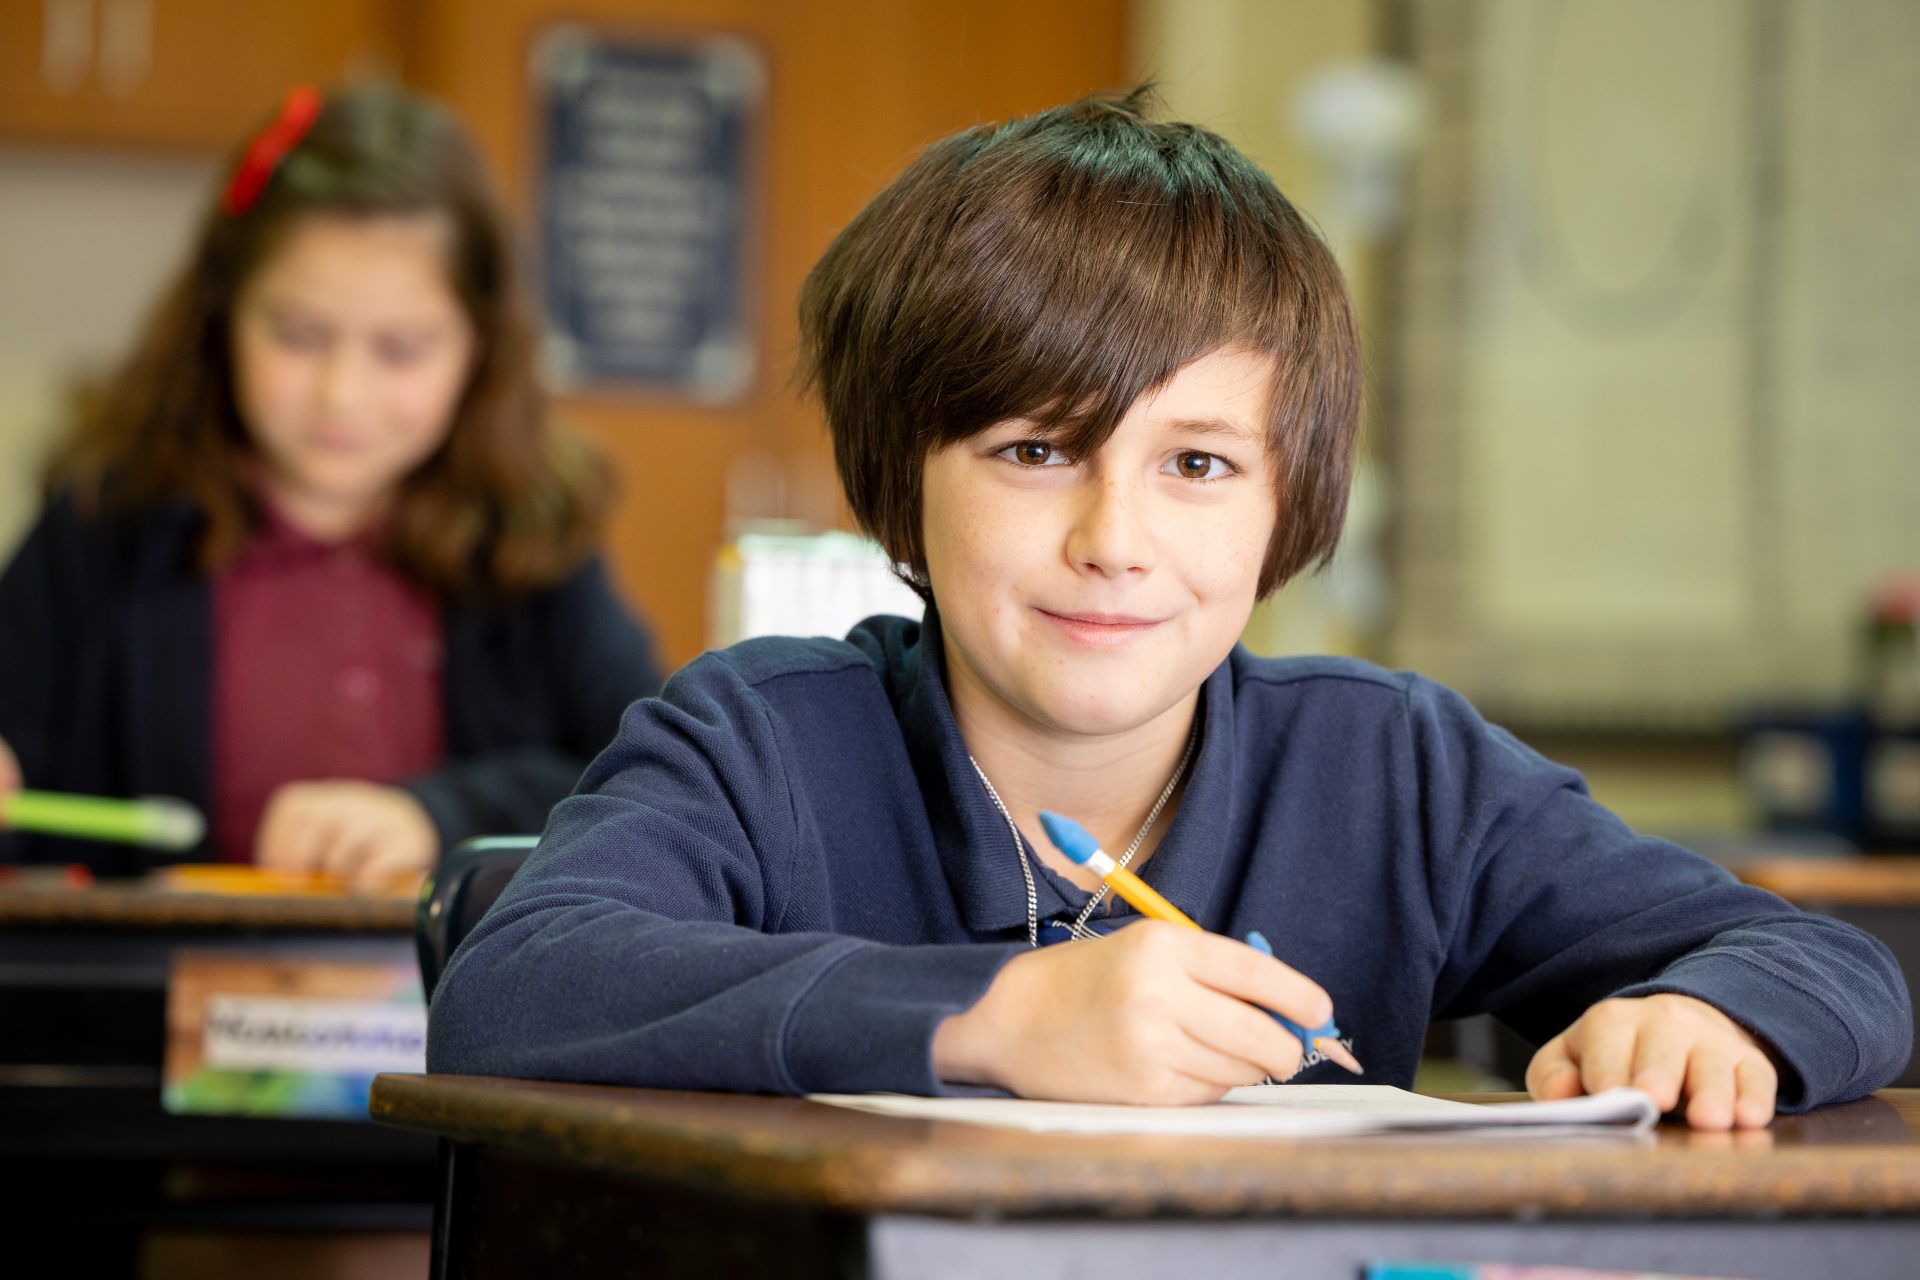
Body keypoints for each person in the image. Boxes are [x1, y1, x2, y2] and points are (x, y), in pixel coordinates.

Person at [425, 89, 1909, 1127]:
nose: (1113, 539)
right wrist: (992, 1020)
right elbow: (514, 988)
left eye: (1197, 462)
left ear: (1288, 505)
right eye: (1031, 450)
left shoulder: (1390, 768)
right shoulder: (759, 739)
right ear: (902, 485)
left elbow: (1828, 964)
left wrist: (1724, 1023)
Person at [0, 84, 663, 883]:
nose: (340, 395)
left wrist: (437, 817)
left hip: (451, 1004)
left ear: (479, 349)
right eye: (299, 334)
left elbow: (646, 780)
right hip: (146, 999)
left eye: (402, 349)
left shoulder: (530, 535)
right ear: (222, 317)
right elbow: (22, 786)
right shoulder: (108, 519)